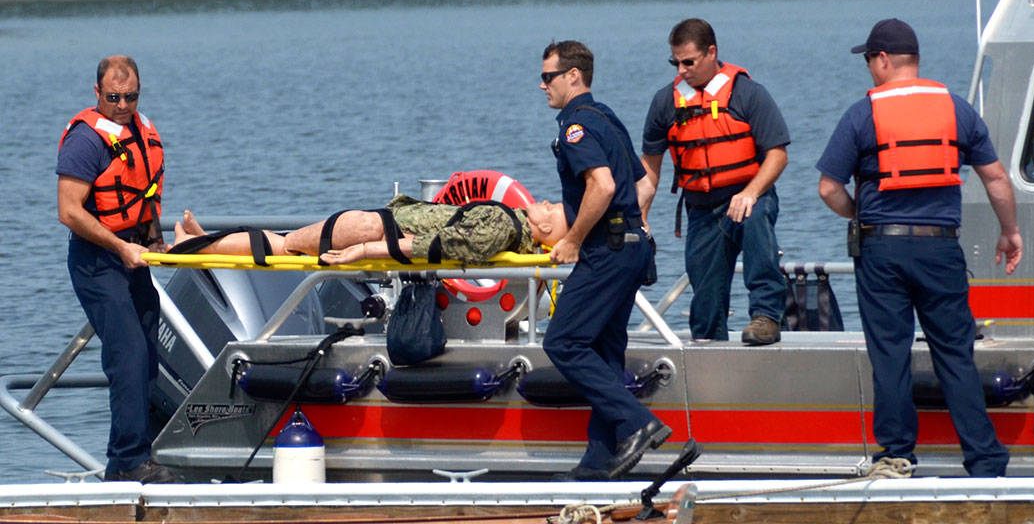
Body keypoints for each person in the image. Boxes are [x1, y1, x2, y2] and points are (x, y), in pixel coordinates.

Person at [815, 18, 1023, 478]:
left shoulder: (862, 113)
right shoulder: (957, 109)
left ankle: (896, 455)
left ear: (884, 59)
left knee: (890, 354)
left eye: (869, 59)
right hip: (940, 251)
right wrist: (1009, 231)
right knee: (955, 353)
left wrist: (858, 215)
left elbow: (829, 188)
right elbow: (995, 177)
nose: (869, 69)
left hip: (882, 251)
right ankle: (985, 461)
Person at [540, 40, 670, 480]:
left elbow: (602, 185)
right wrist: (636, 228)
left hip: (606, 251)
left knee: (563, 342)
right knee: (604, 352)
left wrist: (574, 239)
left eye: (548, 77)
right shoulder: (607, 117)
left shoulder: (575, 127)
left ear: (572, 75)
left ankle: (638, 423)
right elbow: (644, 185)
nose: (543, 86)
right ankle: (599, 461)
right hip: (630, 248)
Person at [57, 56, 178, 484]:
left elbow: (144, 195)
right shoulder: (86, 140)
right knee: (126, 355)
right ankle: (130, 461)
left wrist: (154, 240)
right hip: (96, 260)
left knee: (146, 356)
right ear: (97, 93)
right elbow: (69, 212)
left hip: (132, 257)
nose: (122, 104)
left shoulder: (142, 130)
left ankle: (126, 459)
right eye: (113, 97)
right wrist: (119, 247)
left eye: (130, 96)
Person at [640, 18, 790, 345]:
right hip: (701, 209)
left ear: (711, 53)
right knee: (705, 302)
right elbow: (649, 170)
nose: (681, 70)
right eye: (675, 63)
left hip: (749, 195)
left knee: (754, 221)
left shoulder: (748, 94)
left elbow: (777, 155)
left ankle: (765, 317)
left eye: (688, 62)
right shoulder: (665, 102)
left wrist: (750, 192)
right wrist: (641, 218)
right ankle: (709, 349)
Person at [170, 196, 564, 262]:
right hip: (376, 226)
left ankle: (195, 246)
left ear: (545, 226)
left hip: (372, 230)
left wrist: (367, 250)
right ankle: (203, 241)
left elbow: (436, 245)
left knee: (284, 246)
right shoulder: (508, 223)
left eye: (552, 207)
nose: (544, 202)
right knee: (283, 245)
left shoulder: (503, 225)